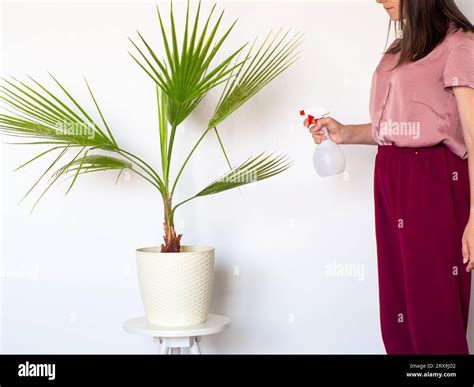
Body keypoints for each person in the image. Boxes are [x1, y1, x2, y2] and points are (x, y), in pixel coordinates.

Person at [305, 0, 474, 354]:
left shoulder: (459, 45)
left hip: (432, 182)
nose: (379, 0)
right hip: (391, 176)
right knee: (398, 311)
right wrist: (345, 133)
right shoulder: (400, 47)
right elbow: (400, 127)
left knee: (432, 314)